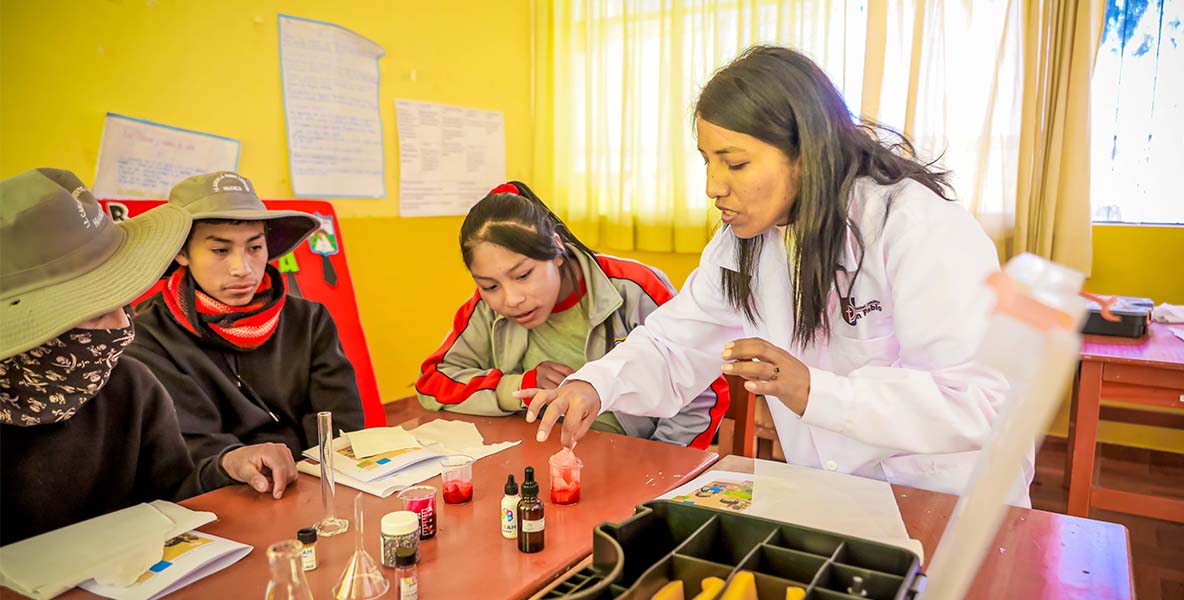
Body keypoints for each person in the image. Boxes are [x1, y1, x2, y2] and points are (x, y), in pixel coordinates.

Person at [521, 46, 1029, 505]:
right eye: (707, 161)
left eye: (735, 164)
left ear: (806, 154)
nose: (712, 186)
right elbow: (674, 343)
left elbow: (977, 401)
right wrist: (595, 385)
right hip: (840, 494)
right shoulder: (744, 243)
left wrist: (812, 390)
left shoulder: (914, 226)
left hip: (948, 500)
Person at [0, 169, 297, 544]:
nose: (123, 325)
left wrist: (225, 465)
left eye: (124, 303)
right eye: (96, 312)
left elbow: (172, 496)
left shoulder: (131, 386)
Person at [417, 181, 729, 449]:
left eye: (523, 275)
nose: (511, 299)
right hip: (533, 456)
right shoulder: (486, 308)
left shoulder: (633, 289)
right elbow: (432, 383)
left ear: (556, 249)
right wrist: (519, 387)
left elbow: (703, 394)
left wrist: (659, 463)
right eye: (489, 285)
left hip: (636, 459)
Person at [126, 171, 364, 464]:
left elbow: (340, 423)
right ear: (181, 252)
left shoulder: (309, 320)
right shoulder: (149, 338)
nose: (243, 269)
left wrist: (318, 473)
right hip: (221, 485)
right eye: (220, 250)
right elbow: (194, 446)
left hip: (314, 476)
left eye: (254, 247)